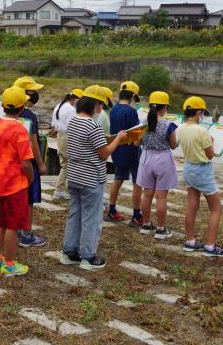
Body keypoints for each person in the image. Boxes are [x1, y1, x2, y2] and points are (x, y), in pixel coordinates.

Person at [60, 85, 127, 270]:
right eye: (101, 105)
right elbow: (104, 154)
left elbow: (86, 142)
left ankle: (69, 252)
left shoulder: (73, 120)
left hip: (74, 175)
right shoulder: (93, 124)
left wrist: (106, 137)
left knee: (75, 214)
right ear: (95, 104)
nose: (101, 109)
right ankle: (88, 257)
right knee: (91, 218)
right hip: (91, 177)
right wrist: (118, 140)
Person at [0, 87, 34, 277]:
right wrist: (29, 178)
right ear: (23, 108)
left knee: (2, 222)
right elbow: (26, 162)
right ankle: (10, 264)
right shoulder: (19, 130)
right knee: (13, 225)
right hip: (15, 183)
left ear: (3, 106)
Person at [177, 96, 223, 257]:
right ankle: (210, 246)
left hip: (189, 168)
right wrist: (211, 142)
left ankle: (190, 241)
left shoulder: (180, 128)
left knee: (192, 206)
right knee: (216, 209)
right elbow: (210, 155)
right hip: (202, 171)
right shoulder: (202, 130)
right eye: (202, 114)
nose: (202, 116)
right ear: (198, 112)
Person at [137, 91, 179, 239]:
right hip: (162, 160)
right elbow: (173, 145)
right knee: (161, 197)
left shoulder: (143, 122)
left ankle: (146, 225)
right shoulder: (169, 125)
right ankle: (161, 230)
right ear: (165, 107)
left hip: (146, 157)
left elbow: (137, 142)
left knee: (147, 194)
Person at [13, 76, 48, 249]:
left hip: (11, 163)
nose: (36, 94)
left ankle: (16, 229)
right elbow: (33, 143)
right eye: (33, 91)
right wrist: (40, 164)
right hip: (28, 163)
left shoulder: (5, 113)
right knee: (28, 200)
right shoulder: (29, 116)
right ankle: (26, 234)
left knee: (16, 198)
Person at [107, 81, 142, 225]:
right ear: (133, 95)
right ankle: (136, 215)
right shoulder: (132, 111)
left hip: (117, 149)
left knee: (118, 178)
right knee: (137, 183)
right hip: (130, 151)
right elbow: (135, 137)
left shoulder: (113, 109)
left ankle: (112, 209)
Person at [51, 88, 82, 200]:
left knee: (65, 164)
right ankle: (59, 190)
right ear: (76, 99)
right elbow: (73, 127)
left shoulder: (59, 106)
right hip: (67, 137)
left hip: (60, 136)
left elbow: (54, 125)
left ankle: (63, 189)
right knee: (67, 165)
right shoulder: (71, 109)